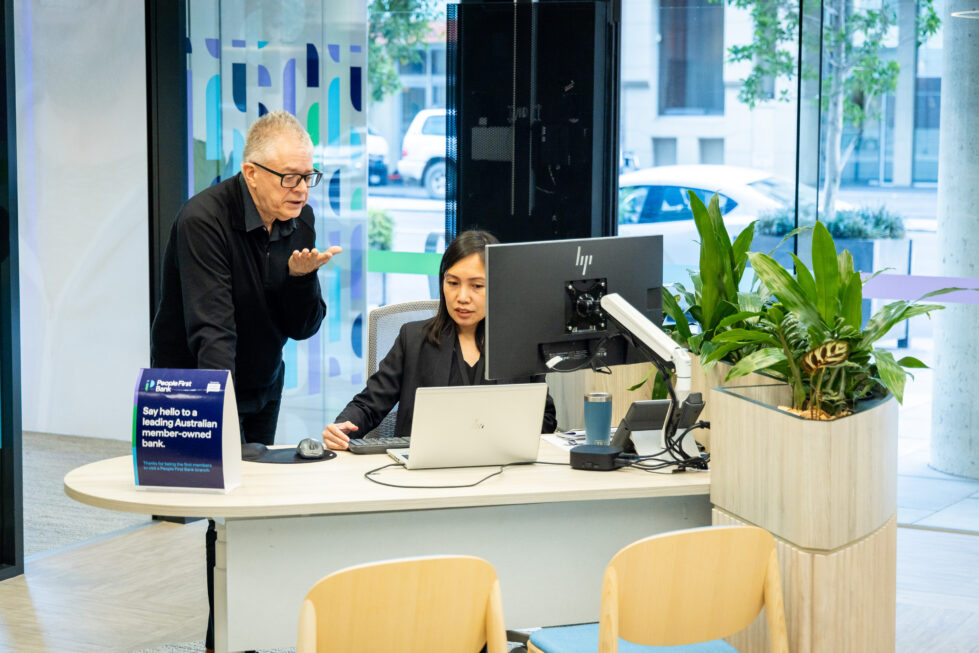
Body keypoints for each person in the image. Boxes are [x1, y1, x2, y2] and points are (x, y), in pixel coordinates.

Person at [150, 110, 340, 653]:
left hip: (262, 378)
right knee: (225, 514)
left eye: (309, 176)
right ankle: (223, 639)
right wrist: (223, 430)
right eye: (290, 177)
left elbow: (302, 326)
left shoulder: (297, 217)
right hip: (197, 390)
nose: (302, 189)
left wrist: (302, 282)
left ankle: (252, 632)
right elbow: (213, 333)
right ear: (251, 172)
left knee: (255, 513)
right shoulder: (202, 220)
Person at [323, 230, 556, 449]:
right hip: (424, 474)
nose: (461, 297)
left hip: (500, 469)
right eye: (452, 283)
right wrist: (342, 427)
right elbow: (368, 405)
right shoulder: (413, 340)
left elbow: (544, 418)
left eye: (477, 286)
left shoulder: (521, 345)